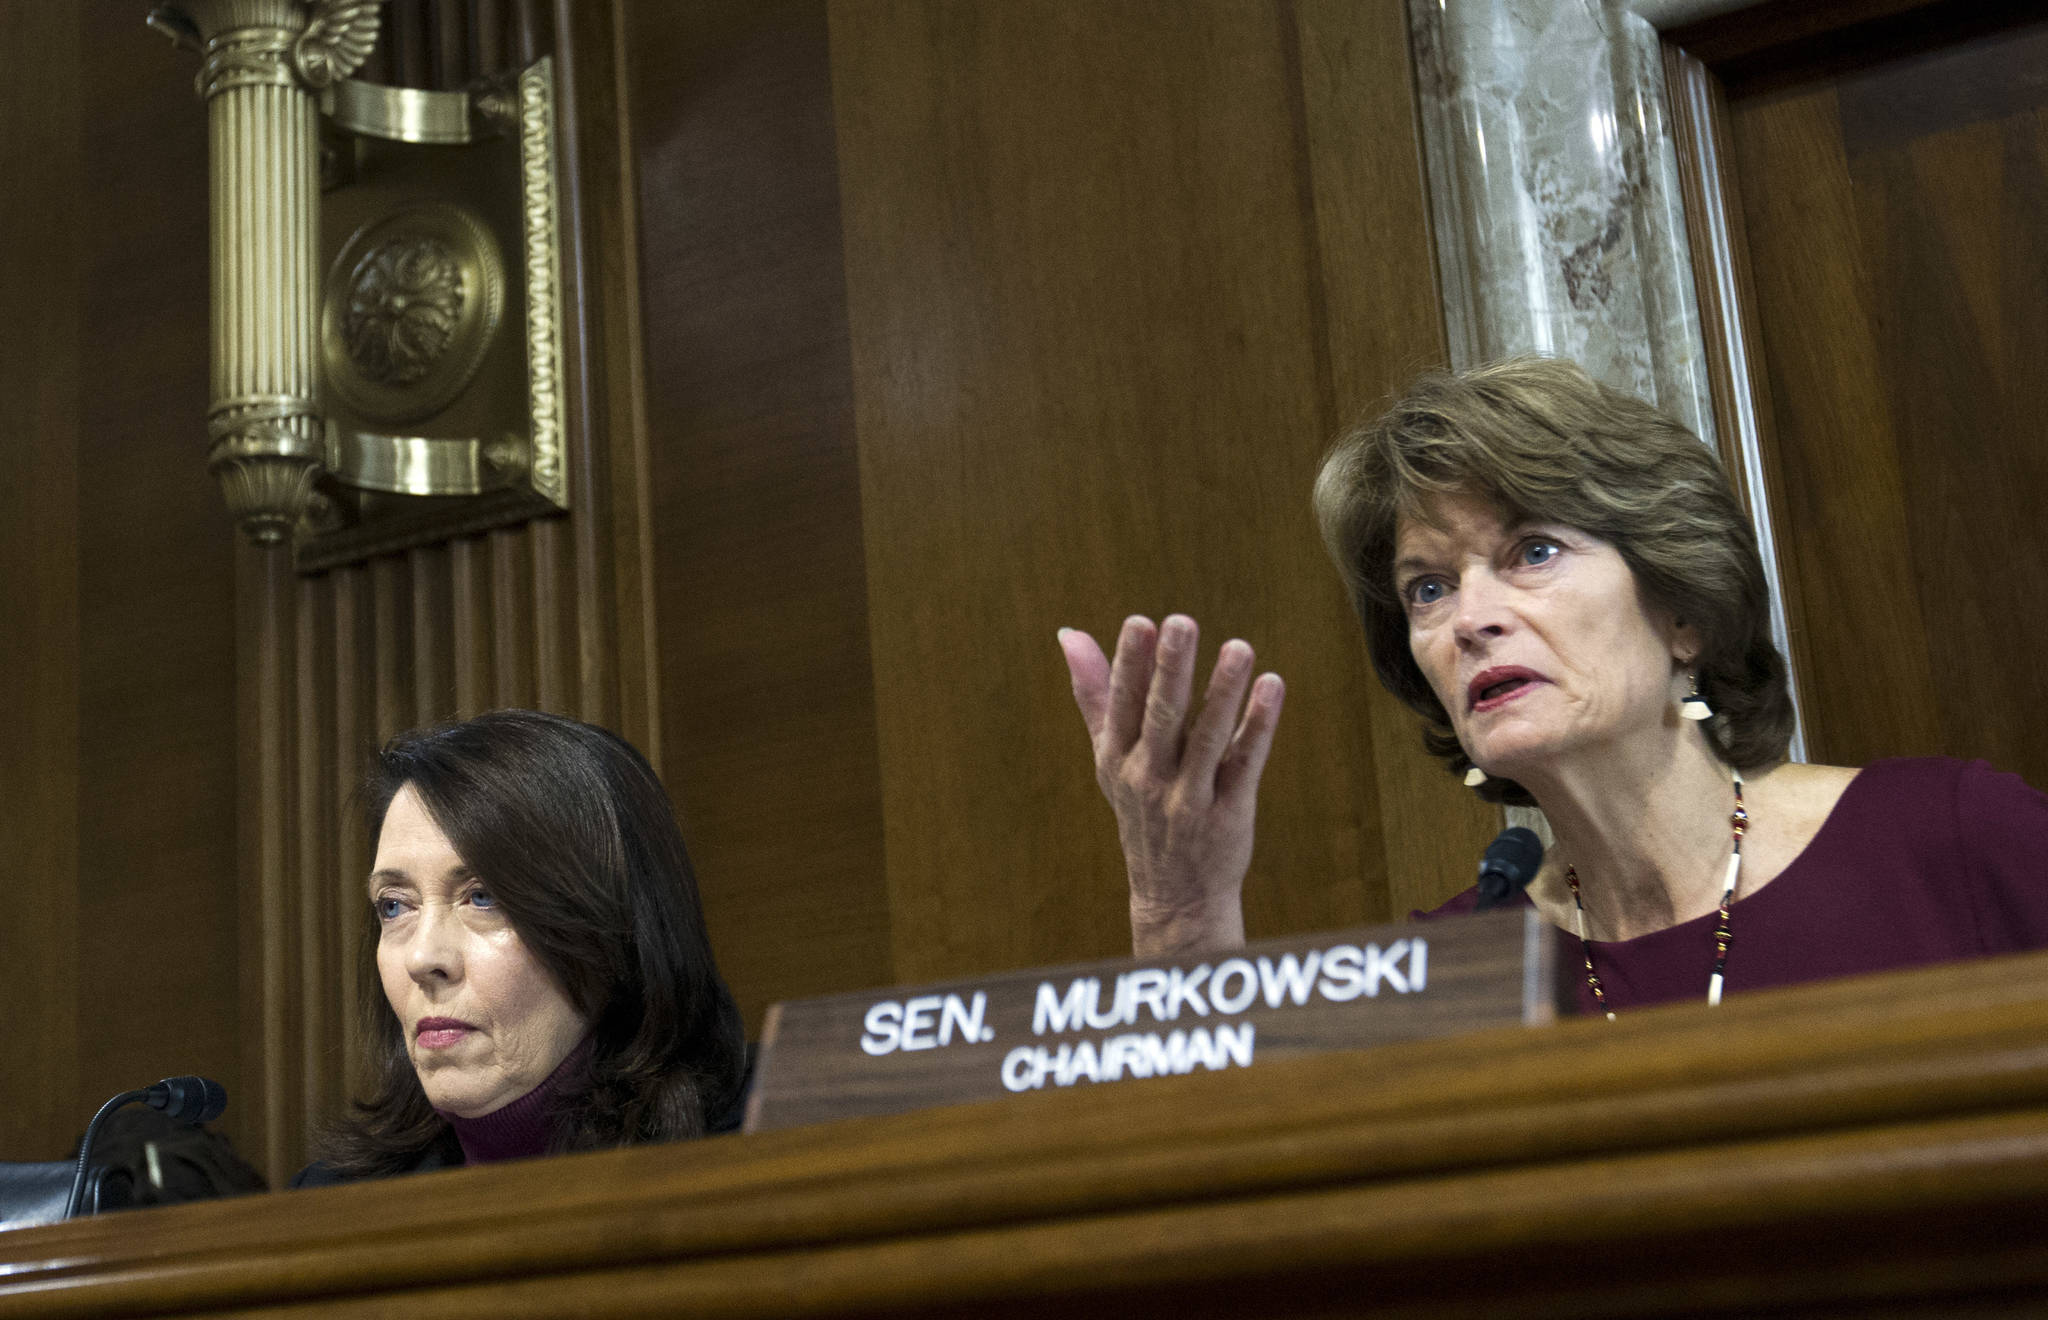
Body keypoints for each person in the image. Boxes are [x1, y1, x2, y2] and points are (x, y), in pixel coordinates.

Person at [1059, 356, 2048, 1015]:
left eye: (1529, 551)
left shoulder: (1950, 843)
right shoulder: (1449, 976)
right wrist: (1178, 912)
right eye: (1428, 588)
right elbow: (1246, 1231)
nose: (1467, 619)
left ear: (1680, 611)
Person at [295, 710, 747, 1185]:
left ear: (615, 928)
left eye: (483, 897)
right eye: (394, 907)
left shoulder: (768, 1152)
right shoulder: (325, 1201)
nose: (422, 959)